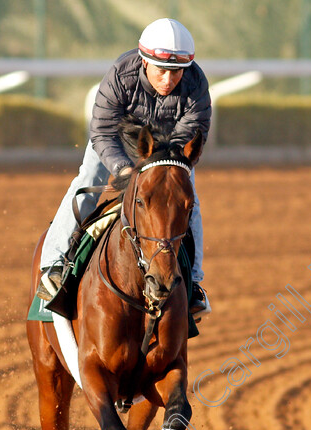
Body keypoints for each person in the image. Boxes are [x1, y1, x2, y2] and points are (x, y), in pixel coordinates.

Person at [37, 18, 211, 318]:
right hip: (117, 143)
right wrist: (122, 169)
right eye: (162, 71)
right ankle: (53, 266)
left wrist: (157, 167)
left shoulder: (196, 82)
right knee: (87, 181)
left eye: (176, 72)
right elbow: (102, 131)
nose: (169, 80)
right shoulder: (120, 74)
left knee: (188, 200)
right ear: (145, 62)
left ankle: (193, 283)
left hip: (165, 151)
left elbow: (191, 135)